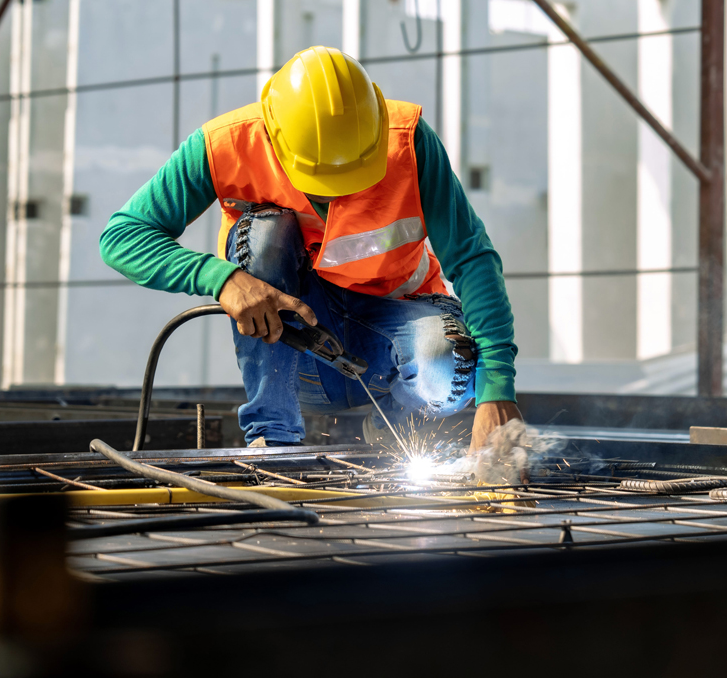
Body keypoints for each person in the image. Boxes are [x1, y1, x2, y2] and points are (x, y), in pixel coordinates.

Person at [100, 46, 521, 450]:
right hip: (299, 349)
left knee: (446, 364)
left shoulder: (408, 143)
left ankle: (396, 425)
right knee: (265, 235)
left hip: (394, 340)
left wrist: (498, 391)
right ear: (274, 139)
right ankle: (273, 436)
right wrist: (222, 278)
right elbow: (122, 236)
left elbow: (472, 258)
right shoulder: (226, 146)